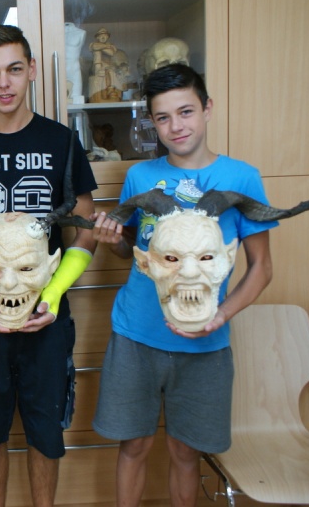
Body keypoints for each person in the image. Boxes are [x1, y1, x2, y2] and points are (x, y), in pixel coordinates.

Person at [91, 63, 276, 507]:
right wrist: (112, 242)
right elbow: (134, 253)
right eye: (163, 117)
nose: (176, 126)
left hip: (205, 342)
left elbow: (262, 268)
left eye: (186, 112)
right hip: (136, 336)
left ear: (207, 108)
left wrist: (221, 316)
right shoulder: (139, 177)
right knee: (133, 446)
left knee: (185, 452)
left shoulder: (242, 178)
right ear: (152, 123)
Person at [0, 25, 98, 507]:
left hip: (47, 315)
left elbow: (85, 229)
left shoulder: (62, 141)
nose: (3, 83)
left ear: (32, 71)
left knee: (46, 430)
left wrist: (53, 295)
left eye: (13, 69)